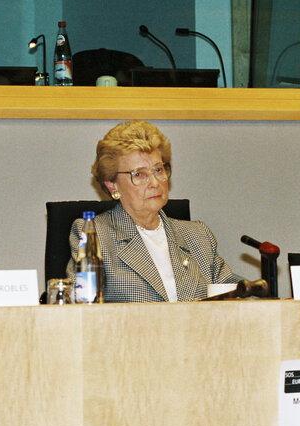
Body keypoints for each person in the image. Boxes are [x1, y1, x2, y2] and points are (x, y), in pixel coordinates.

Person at [66, 120, 240, 302]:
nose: (155, 183)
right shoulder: (94, 236)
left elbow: (234, 300)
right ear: (112, 185)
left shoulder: (198, 236)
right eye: (139, 174)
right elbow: (79, 308)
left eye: (158, 169)